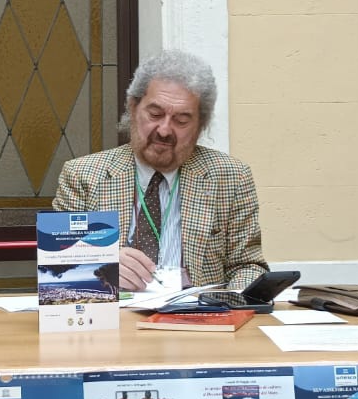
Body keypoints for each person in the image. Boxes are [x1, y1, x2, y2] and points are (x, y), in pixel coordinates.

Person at [53, 49, 268, 290]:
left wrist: (231, 302)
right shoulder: (83, 176)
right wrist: (101, 264)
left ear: (201, 125)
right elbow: (59, 268)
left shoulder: (231, 177)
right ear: (133, 108)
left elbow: (248, 266)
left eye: (181, 120)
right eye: (155, 114)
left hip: (197, 310)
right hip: (115, 309)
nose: (164, 130)